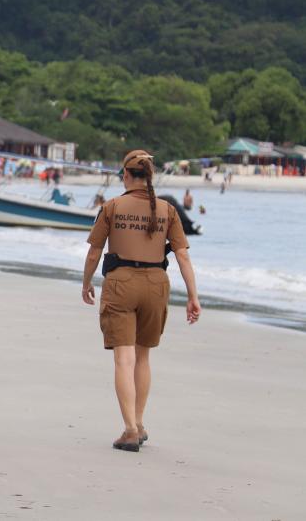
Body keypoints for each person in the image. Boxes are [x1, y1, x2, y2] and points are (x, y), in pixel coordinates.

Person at [81, 150, 201, 453]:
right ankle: (139, 421)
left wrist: (86, 283)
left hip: (121, 283)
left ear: (125, 175)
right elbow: (183, 255)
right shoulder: (167, 209)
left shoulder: (112, 206)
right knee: (143, 357)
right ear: (150, 176)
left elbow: (94, 252)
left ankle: (130, 430)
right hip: (156, 284)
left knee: (124, 358)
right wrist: (193, 296)